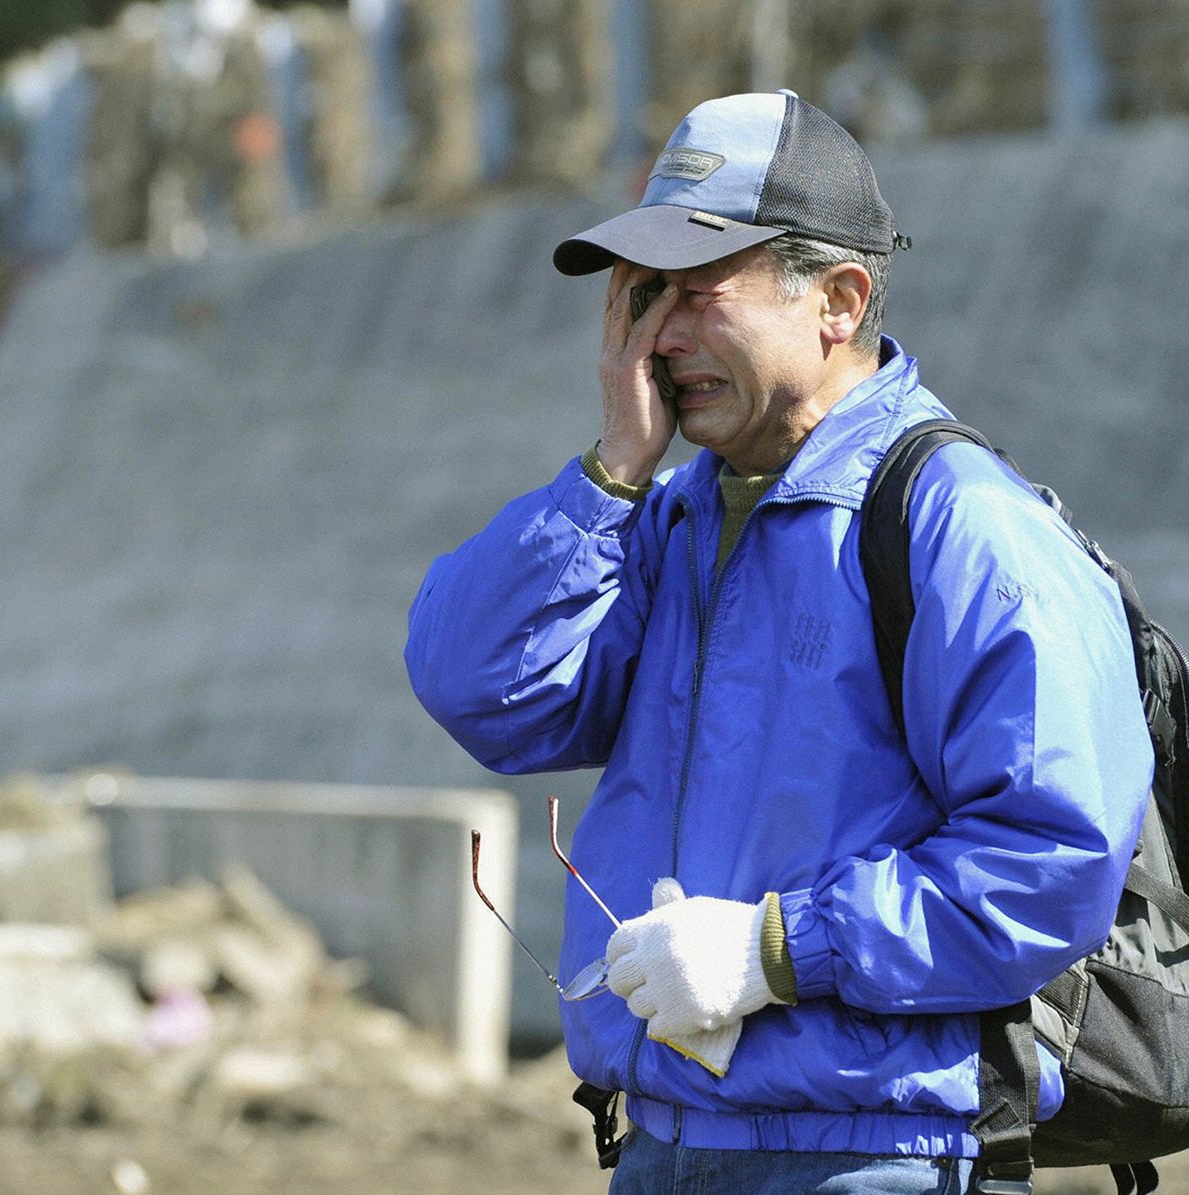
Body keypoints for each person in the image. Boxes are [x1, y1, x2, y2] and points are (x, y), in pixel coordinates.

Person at [404, 90, 1152, 1194]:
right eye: (642, 295)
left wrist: (775, 952)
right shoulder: (668, 517)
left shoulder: (960, 525)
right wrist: (610, 472)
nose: (658, 335)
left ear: (838, 299)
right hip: (665, 1141)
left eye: (699, 293)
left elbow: (1048, 862)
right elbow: (481, 687)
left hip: (877, 1160)